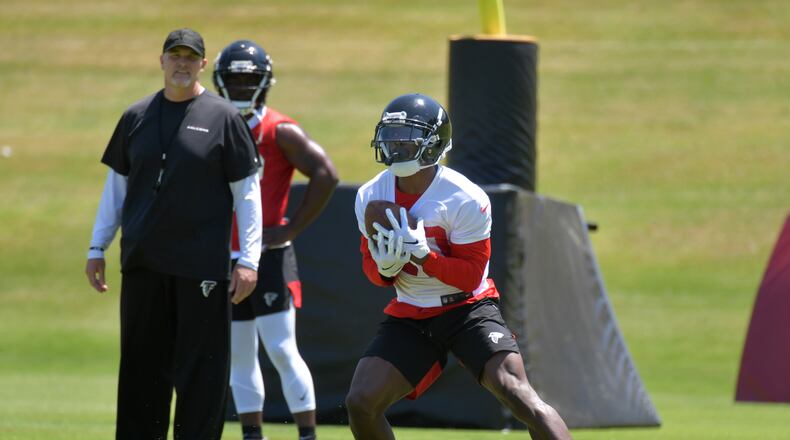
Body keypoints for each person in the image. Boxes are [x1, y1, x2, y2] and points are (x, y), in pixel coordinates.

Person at [347, 93, 573, 439]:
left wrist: (425, 257)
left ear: (432, 144)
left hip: (468, 309)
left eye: (407, 138)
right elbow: (372, 271)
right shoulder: (370, 195)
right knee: (361, 402)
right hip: (411, 312)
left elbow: (468, 278)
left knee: (517, 393)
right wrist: (386, 267)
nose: (396, 146)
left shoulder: (464, 197)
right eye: (391, 137)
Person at [84, 28, 263, 440]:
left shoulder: (224, 118)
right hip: (144, 264)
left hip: (201, 268)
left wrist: (249, 259)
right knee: (140, 374)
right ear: (161, 61)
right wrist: (98, 246)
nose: (181, 63)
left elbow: (248, 196)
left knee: (202, 376)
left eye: (190, 57)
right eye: (174, 55)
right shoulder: (136, 116)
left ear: (203, 64)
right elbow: (116, 189)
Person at [213, 40, 339, 440]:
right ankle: (252, 434)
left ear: (264, 82)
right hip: (225, 255)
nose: (240, 87)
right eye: (233, 79)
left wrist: (291, 228)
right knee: (240, 351)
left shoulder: (278, 130)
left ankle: (307, 434)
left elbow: (325, 173)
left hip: (268, 255)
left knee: (282, 348)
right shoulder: (211, 126)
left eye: (248, 79)